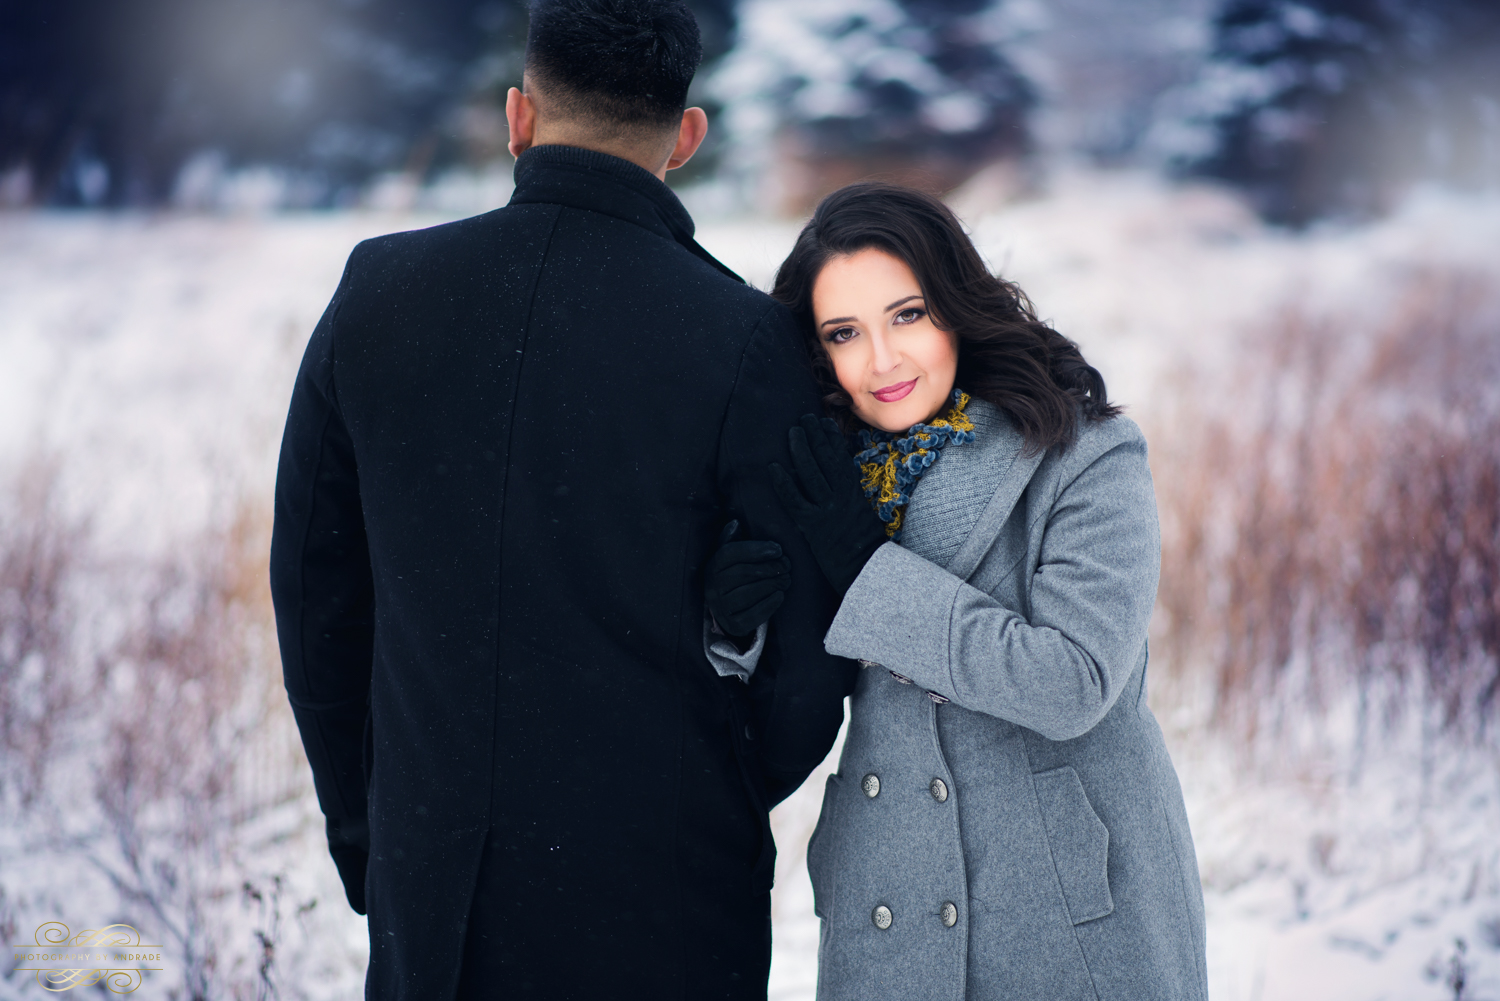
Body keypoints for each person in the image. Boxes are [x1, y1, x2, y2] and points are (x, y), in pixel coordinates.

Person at [268, 1, 855, 997]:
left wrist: (372, 828)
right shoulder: (749, 342)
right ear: (685, 136)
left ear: (518, 116)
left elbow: (316, 592)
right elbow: (812, 635)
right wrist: (716, 793)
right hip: (669, 904)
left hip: (437, 889)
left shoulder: (378, 293)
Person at [705, 184, 1208, 1000]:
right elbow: (786, 709)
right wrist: (736, 628)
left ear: (956, 306)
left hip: (1061, 904)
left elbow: (1073, 680)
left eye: (907, 315)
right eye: (844, 333)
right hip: (890, 893)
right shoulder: (823, 477)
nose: (883, 360)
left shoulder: (1085, 453)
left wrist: (870, 570)